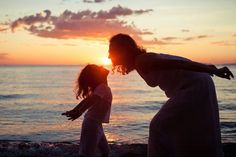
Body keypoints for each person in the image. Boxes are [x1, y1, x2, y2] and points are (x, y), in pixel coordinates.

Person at [108, 33, 234, 157]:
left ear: (122, 50)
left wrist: (212, 70)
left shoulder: (142, 60)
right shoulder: (141, 60)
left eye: (111, 51)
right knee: (185, 128)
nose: (109, 56)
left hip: (193, 86)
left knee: (157, 125)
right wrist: (206, 67)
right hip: (197, 83)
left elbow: (179, 64)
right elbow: (179, 61)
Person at [62, 64, 112, 157]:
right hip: (92, 124)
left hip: (96, 123)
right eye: (98, 71)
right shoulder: (102, 87)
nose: (102, 71)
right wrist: (78, 111)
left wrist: (75, 110)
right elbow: (91, 100)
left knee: (105, 152)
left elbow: (87, 100)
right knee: (86, 154)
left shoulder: (101, 87)